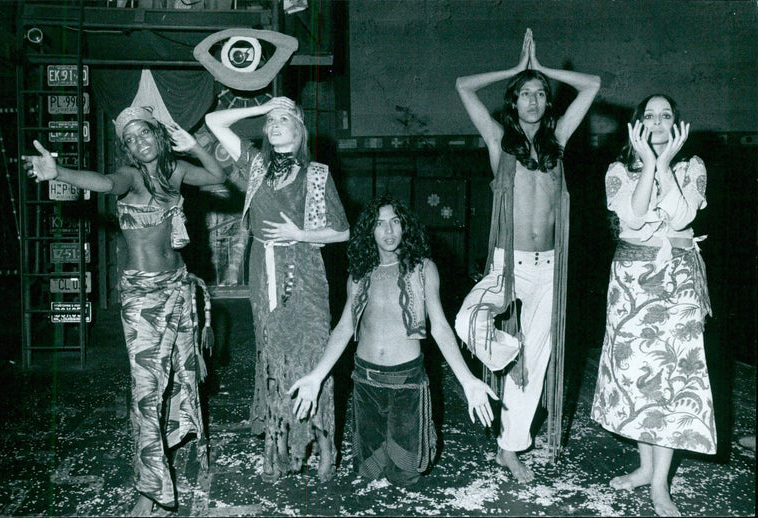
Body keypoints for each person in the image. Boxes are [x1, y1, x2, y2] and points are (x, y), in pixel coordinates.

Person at [23, 106, 226, 516]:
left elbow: (219, 176)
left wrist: (193, 147)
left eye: (143, 134)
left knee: (185, 375)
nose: (138, 143)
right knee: (147, 391)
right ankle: (149, 491)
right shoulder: (130, 177)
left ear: (157, 134)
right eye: (130, 139)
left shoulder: (176, 172)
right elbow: (102, 182)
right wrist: (58, 173)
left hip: (178, 286)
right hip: (143, 298)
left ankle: (184, 447)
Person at [453, 28, 600, 483]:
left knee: (538, 365)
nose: (533, 100)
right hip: (507, 264)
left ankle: (510, 447)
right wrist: (517, 69)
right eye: (525, 94)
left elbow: (592, 85)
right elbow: (463, 86)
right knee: (467, 321)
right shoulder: (500, 142)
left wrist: (543, 69)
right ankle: (507, 354)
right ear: (513, 102)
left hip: (550, 268)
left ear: (547, 103)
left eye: (540, 93)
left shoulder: (560, 140)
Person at [288, 195, 498, 487]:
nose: (389, 231)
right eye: (379, 224)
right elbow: (344, 327)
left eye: (395, 222)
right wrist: (315, 376)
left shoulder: (423, 268)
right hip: (366, 381)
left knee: (404, 475)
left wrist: (468, 380)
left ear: (405, 227)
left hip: (406, 383)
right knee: (369, 472)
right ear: (369, 231)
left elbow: (439, 327)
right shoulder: (359, 273)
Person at [204, 96, 349, 482]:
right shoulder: (256, 165)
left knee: (313, 352)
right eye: (271, 122)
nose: (276, 124)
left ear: (300, 129)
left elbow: (343, 231)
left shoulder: (316, 173)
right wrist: (260, 109)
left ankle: (324, 443)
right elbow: (215, 121)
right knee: (273, 354)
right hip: (264, 269)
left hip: (305, 269)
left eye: (285, 118)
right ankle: (279, 443)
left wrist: (299, 233)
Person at [590, 94, 716, 517]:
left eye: (666, 116)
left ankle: (660, 484)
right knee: (637, 377)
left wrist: (663, 165)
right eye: (650, 116)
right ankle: (646, 468)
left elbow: (680, 219)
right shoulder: (618, 171)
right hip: (631, 281)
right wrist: (646, 164)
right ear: (637, 125)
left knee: (670, 381)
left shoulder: (691, 166)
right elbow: (634, 215)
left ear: (677, 123)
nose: (658, 123)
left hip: (677, 280)